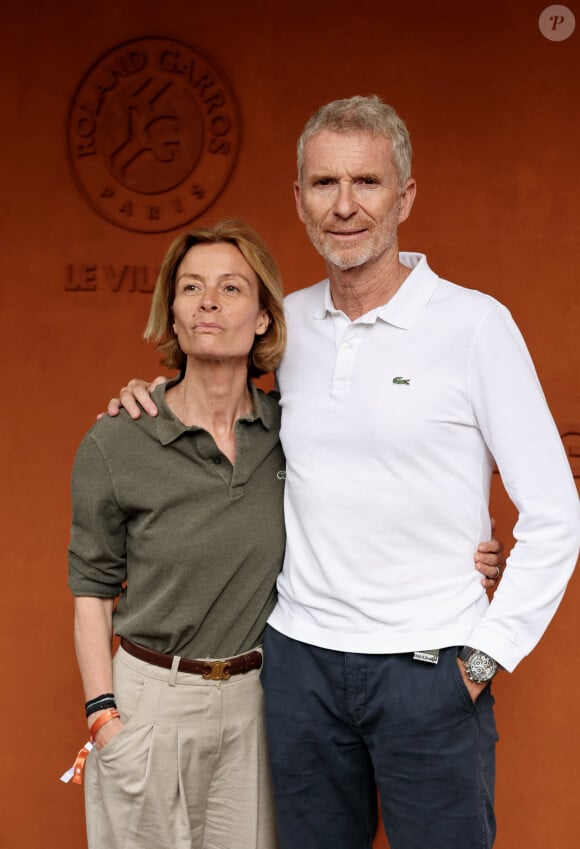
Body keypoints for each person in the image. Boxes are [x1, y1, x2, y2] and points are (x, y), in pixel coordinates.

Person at [103, 95, 574, 849]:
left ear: (406, 196)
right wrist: (147, 396)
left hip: (429, 667)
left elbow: (555, 512)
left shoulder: (475, 325)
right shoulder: (284, 327)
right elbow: (215, 401)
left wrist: (485, 655)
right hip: (298, 667)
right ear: (299, 199)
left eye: (368, 183)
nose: (345, 206)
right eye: (324, 184)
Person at [68, 219, 288, 849]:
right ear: (174, 311)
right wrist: (102, 716)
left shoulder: (290, 430)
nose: (209, 301)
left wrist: (469, 551)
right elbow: (91, 591)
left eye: (230, 288)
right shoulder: (117, 439)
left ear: (264, 317)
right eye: (191, 287)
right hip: (148, 703)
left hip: (255, 705)